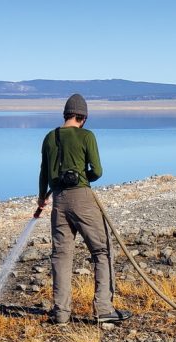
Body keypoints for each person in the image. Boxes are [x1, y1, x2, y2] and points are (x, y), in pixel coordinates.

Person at [37, 93, 131, 325]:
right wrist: (82, 178)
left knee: (61, 256)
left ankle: (60, 313)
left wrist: (42, 199)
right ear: (84, 117)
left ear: (66, 115)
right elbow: (97, 171)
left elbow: (43, 173)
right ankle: (103, 309)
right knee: (102, 251)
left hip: (58, 201)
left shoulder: (49, 137)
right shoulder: (86, 136)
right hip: (82, 199)